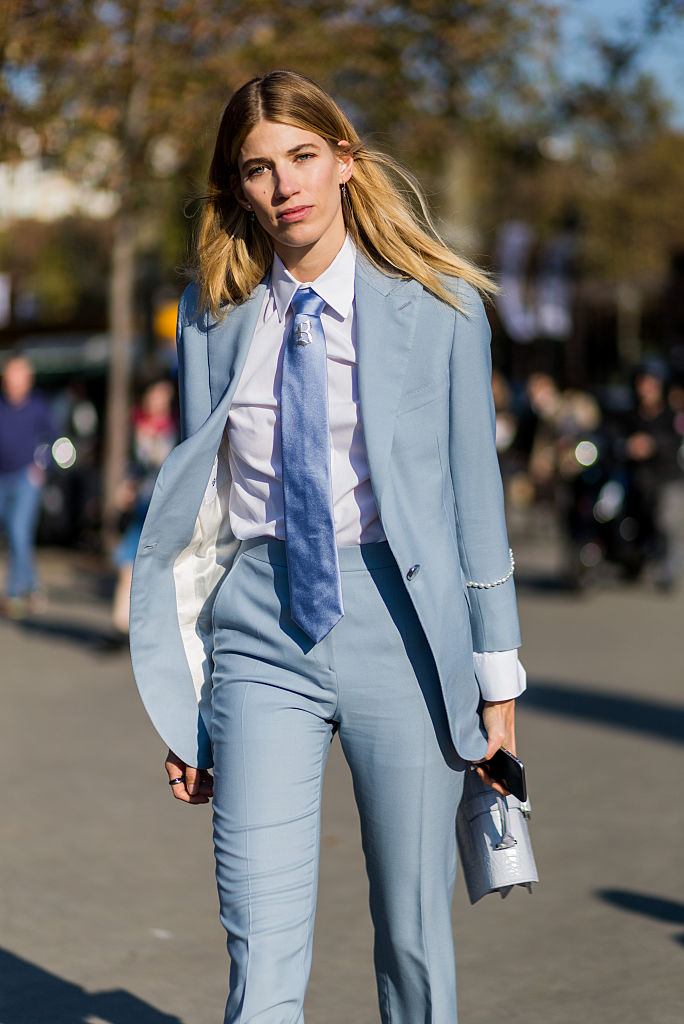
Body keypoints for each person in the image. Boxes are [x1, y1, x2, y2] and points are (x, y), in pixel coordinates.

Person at [130, 70, 526, 1024]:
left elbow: (477, 501)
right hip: (261, 634)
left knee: (411, 936)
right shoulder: (210, 317)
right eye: (258, 170)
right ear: (238, 188)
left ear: (345, 161)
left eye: (303, 158)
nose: (285, 188)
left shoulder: (439, 307)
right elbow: (205, 520)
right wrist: (191, 697)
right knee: (258, 942)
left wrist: (499, 685)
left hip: (404, 631)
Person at [0, 354, 55, 618]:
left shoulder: (38, 407)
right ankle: (32, 586)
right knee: (12, 534)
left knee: (19, 530)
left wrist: (41, 466)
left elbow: (54, 439)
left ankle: (13, 593)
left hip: (26, 478)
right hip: (2, 477)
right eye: (10, 375)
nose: (13, 381)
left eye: (19, 375)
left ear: (28, 380)